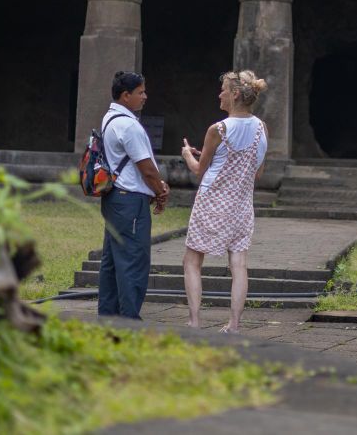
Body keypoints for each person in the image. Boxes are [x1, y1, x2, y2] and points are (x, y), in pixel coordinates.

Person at [181, 70, 268, 333]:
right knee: (239, 264)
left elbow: (199, 170)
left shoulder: (218, 129)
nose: (219, 94)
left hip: (211, 202)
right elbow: (259, 172)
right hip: (241, 204)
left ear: (235, 94)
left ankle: (195, 321)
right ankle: (234, 324)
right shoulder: (261, 127)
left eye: (223, 90)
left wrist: (187, 154)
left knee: (192, 261)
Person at [98, 70, 169, 320]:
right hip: (130, 201)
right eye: (140, 92)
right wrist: (161, 191)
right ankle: (129, 319)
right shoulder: (128, 124)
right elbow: (147, 169)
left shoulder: (109, 119)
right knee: (132, 261)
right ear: (125, 96)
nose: (145, 97)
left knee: (112, 262)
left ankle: (108, 315)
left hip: (116, 199)